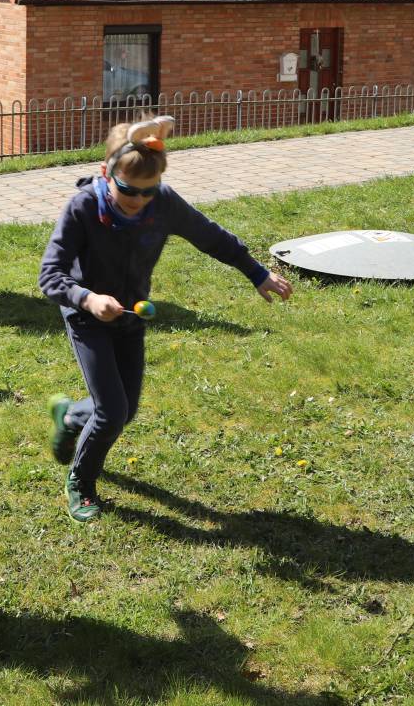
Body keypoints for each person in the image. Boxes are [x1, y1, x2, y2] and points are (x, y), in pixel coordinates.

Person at [38, 115, 294, 522]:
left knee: (126, 409)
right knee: (111, 413)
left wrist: (256, 272)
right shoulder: (83, 207)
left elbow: (211, 236)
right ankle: (81, 483)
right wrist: (86, 299)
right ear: (106, 174)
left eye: (148, 191)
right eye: (127, 190)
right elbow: (50, 274)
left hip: (130, 317)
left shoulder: (162, 204)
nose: (138, 200)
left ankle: (70, 417)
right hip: (88, 319)